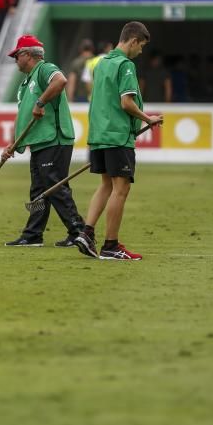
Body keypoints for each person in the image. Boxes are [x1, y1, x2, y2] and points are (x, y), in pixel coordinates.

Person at [74, 22, 163, 261]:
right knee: (121, 188)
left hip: (99, 134)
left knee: (106, 185)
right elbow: (126, 103)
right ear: (133, 41)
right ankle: (111, 245)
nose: (141, 51)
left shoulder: (101, 63)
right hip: (117, 135)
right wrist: (149, 119)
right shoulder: (125, 65)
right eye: (141, 46)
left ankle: (86, 233)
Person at [2, 35, 84, 248]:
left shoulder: (45, 69)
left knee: (55, 187)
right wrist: (12, 144)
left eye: (16, 56)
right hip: (40, 142)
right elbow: (23, 116)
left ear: (27, 54)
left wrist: (40, 102)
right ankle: (33, 235)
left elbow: (61, 81)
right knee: (38, 190)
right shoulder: (26, 82)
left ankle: (79, 231)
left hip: (54, 139)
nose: (15, 61)